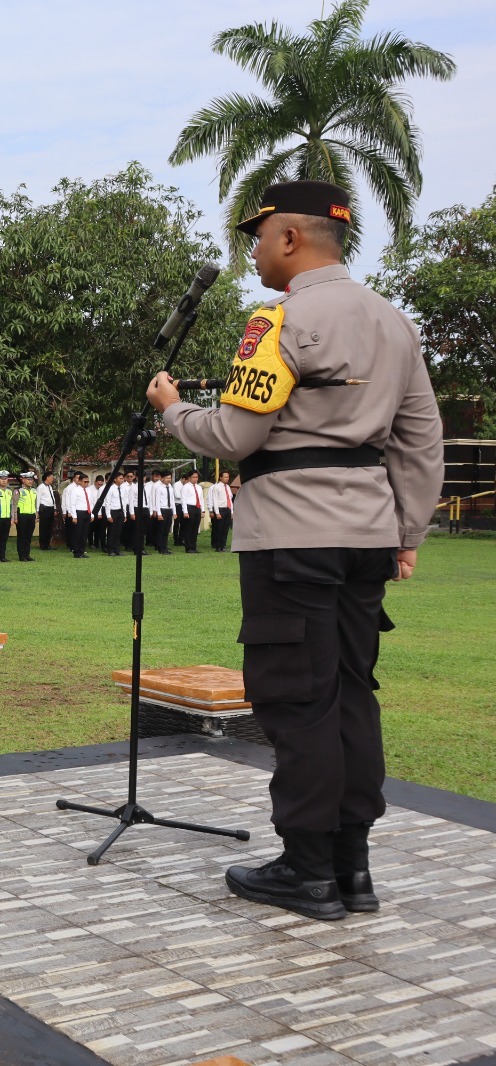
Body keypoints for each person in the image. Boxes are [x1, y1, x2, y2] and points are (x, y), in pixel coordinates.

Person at [147, 179, 443, 920]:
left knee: (296, 699)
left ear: (290, 238)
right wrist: (406, 533)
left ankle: (306, 871)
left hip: (292, 535)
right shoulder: (395, 323)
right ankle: (354, 870)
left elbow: (237, 436)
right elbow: (420, 441)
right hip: (366, 535)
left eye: (257, 237)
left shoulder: (277, 322)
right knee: (350, 695)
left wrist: (172, 410)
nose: (252, 252)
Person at [61, 471, 92, 559]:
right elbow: (72, 504)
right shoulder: (75, 490)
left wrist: (92, 514)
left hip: (87, 512)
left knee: (85, 533)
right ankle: (76, 552)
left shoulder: (88, 490)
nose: (86, 483)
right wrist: (74, 516)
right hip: (79, 512)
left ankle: (82, 551)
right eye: (85, 482)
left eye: (87, 482)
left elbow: (91, 502)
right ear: (80, 481)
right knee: (78, 533)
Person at [178, 469, 205, 553]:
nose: (195, 479)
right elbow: (183, 500)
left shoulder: (199, 487)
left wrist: (202, 510)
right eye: (194, 477)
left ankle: (194, 546)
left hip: (197, 508)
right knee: (188, 528)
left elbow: (201, 499)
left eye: (197, 477)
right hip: (189, 508)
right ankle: (188, 547)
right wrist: (185, 511)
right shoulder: (186, 487)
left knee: (195, 529)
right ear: (189, 478)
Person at [209, 471, 236, 551]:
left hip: (227, 509)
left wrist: (231, 511)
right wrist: (217, 512)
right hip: (220, 509)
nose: (227, 478)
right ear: (220, 477)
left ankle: (223, 545)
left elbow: (230, 500)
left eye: (228, 477)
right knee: (219, 529)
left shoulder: (227, 487)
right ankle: (218, 546)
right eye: (225, 477)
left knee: (225, 529)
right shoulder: (216, 487)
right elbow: (215, 500)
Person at [13, 472, 37, 561]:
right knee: (22, 536)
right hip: (22, 515)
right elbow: (14, 504)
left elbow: (35, 504)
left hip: (31, 515)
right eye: (29, 479)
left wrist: (36, 515)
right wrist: (15, 517)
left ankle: (27, 554)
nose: (31, 481)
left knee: (28, 536)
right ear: (23, 480)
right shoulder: (18, 490)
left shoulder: (34, 490)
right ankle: (22, 555)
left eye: (32, 479)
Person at [34, 472, 57, 552]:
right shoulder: (41, 487)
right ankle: (43, 544)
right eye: (51, 478)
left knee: (49, 527)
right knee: (44, 527)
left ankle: (47, 544)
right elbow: (38, 500)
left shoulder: (49, 487)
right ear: (47, 477)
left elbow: (52, 498)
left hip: (50, 508)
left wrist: (54, 509)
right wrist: (37, 511)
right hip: (44, 508)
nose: (52, 479)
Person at [90, 474, 109, 554]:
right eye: (98, 484)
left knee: (100, 528)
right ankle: (91, 543)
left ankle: (97, 543)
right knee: (91, 528)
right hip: (93, 510)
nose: (99, 486)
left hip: (101, 511)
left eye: (101, 484)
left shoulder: (104, 489)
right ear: (95, 482)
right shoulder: (90, 489)